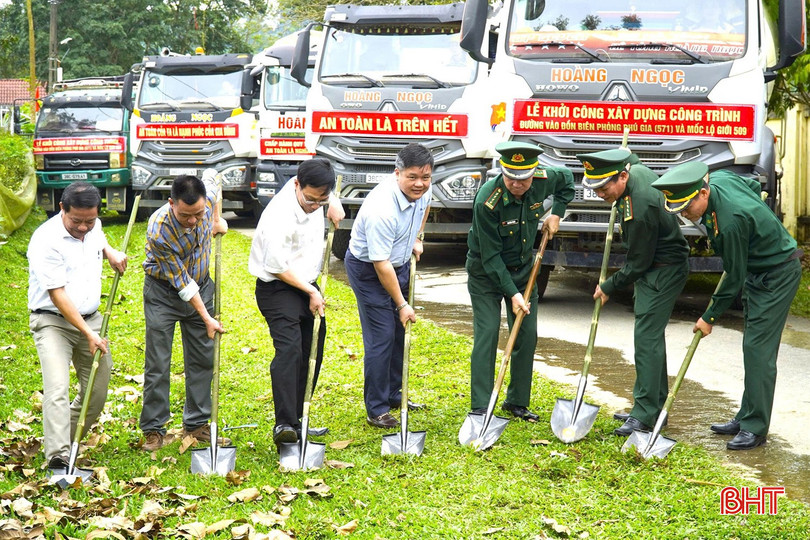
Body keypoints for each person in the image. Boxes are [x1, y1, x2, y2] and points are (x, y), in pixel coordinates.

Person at [652, 162, 802, 450]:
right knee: (752, 347)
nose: (683, 214)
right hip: (759, 270)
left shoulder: (731, 220)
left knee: (759, 350)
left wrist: (709, 317)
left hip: (777, 273)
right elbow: (753, 186)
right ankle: (746, 415)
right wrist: (758, 221)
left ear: (704, 194)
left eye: (685, 207)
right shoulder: (720, 179)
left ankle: (755, 428)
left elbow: (733, 277)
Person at [576, 148, 689, 436]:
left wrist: (608, 286)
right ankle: (653, 406)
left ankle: (646, 415)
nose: (600, 194)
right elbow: (632, 157)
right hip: (657, 266)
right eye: (595, 187)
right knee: (650, 337)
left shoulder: (638, 208)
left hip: (662, 269)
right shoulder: (635, 171)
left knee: (646, 339)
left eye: (604, 187)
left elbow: (638, 263)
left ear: (623, 176)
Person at [467, 142, 574, 421]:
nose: (518, 184)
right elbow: (490, 259)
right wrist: (513, 294)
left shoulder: (543, 180)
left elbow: (568, 181)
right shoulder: (486, 202)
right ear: (502, 173)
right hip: (486, 274)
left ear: (534, 173)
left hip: (525, 269)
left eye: (524, 179)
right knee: (488, 333)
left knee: (526, 335)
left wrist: (557, 213)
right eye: (512, 179)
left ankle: (516, 402)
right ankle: (481, 405)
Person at [27, 182, 128, 469]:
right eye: (77, 221)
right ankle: (58, 458)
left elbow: (98, 236)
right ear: (62, 208)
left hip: (91, 319)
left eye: (90, 220)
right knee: (57, 388)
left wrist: (109, 251)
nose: (83, 227)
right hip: (52, 322)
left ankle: (61, 438)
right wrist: (89, 333)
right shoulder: (45, 240)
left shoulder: (92, 227)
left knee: (97, 393)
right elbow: (57, 295)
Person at [249, 159, 344, 446]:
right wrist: (312, 292)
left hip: (306, 283)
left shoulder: (318, 195)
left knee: (312, 349)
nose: (315, 206)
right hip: (278, 286)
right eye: (310, 199)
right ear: (296, 185)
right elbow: (277, 266)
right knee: (290, 350)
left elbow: (325, 193)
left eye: (321, 200)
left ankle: (300, 417)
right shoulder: (280, 214)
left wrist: (333, 202)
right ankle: (284, 425)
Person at [345, 143, 432, 429]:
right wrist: (402, 304)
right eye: (412, 177)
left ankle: (395, 394)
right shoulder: (381, 209)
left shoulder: (424, 189)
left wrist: (417, 237)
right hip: (369, 270)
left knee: (398, 332)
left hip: (398, 263)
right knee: (381, 337)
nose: (420, 184)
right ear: (397, 173)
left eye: (425, 177)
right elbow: (380, 265)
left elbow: (425, 205)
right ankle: (377, 408)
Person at [140, 171, 229, 452]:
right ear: (171, 204)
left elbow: (215, 177)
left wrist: (215, 219)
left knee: (202, 359)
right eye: (185, 216)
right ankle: (154, 428)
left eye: (198, 214)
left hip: (202, 286)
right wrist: (207, 318)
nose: (192, 221)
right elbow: (182, 283)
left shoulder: (207, 200)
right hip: (164, 293)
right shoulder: (159, 230)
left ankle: (197, 424)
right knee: (158, 362)